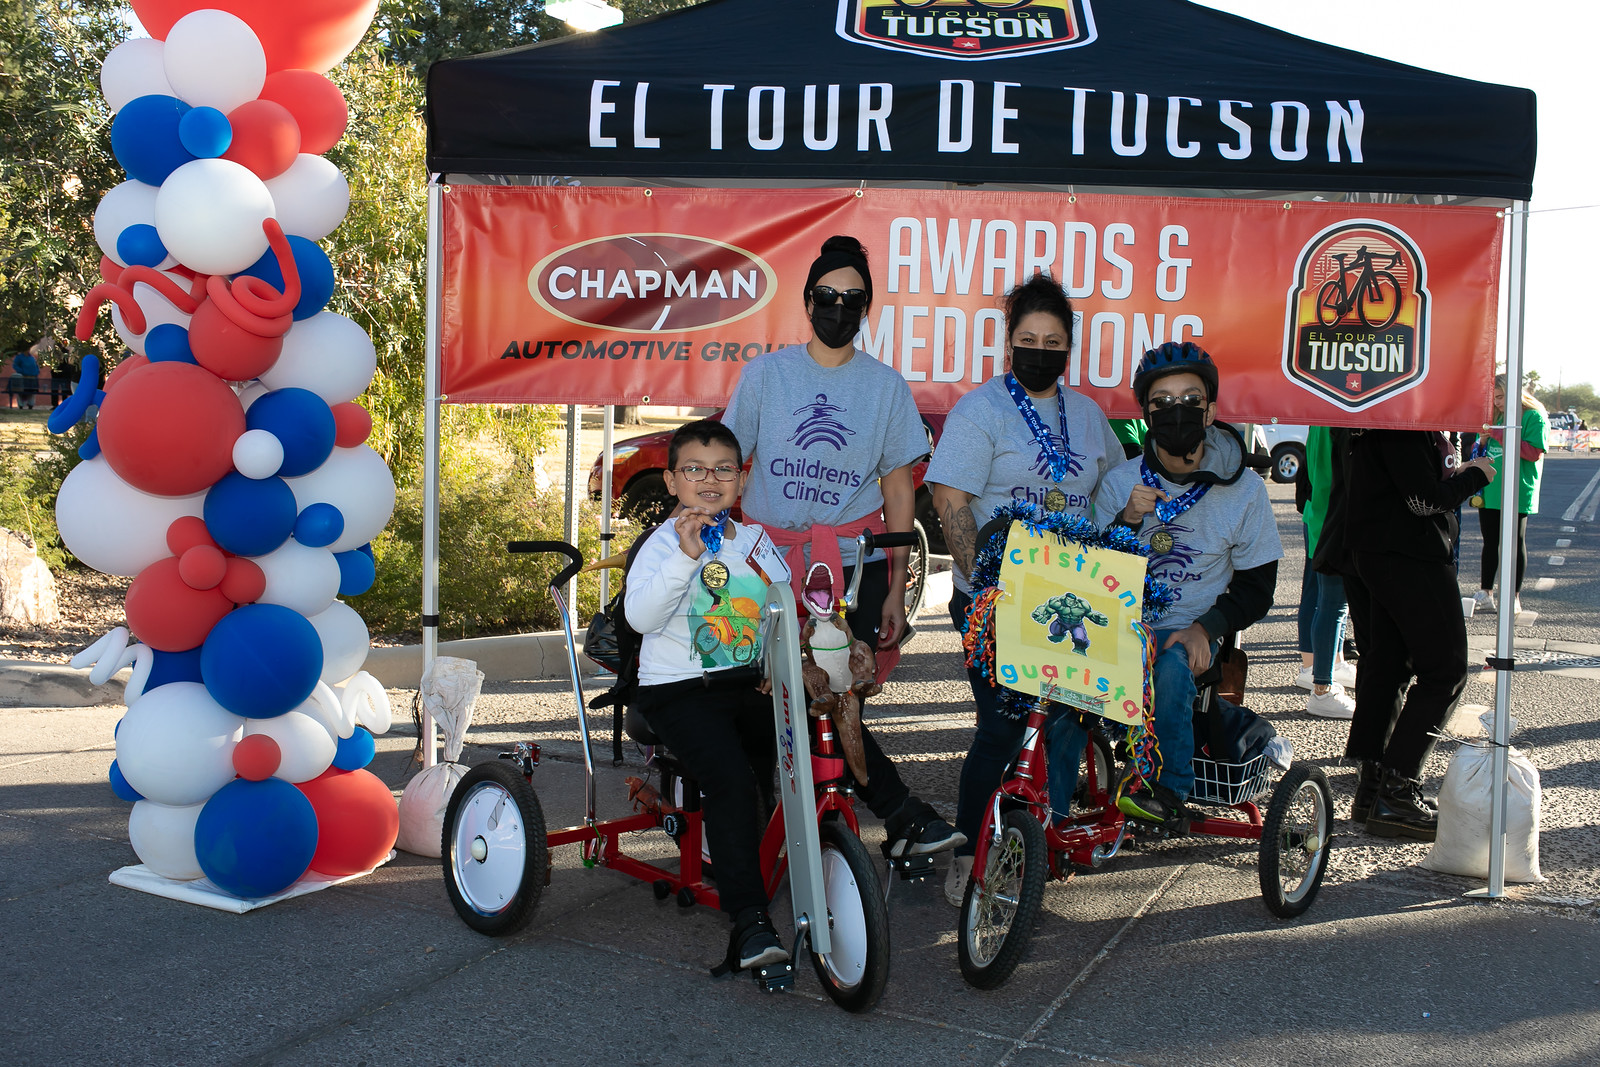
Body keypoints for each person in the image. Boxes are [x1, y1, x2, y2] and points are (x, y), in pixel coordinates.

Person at [724, 234, 964, 861]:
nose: (839, 308)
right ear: (807, 301)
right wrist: (704, 542)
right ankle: (881, 814)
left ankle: (862, 819)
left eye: (852, 299)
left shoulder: (884, 387)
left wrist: (896, 579)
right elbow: (726, 463)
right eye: (828, 296)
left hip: (851, 567)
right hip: (770, 567)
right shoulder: (766, 375)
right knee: (783, 689)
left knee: (837, 690)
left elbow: (897, 485)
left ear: (867, 308)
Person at [926, 272, 1124, 906]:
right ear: (1008, 343)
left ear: (1070, 349)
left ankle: (1044, 835)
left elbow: (1114, 491)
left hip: (1070, 596)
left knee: (1065, 719)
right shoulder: (981, 409)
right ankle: (969, 851)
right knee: (1004, 725)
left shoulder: (1090, 418)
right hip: (998, 596)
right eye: (1029, 338)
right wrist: (982, 586)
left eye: (1054, 340)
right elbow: (949, 495)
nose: (1041, 349)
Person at [1087, 342, 1282, 824]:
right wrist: (1127, 521)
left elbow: (1259, 588)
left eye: (1190, 400)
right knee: (1063, 679)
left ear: (1211, 410)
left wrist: (1207, 628)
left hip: (1189, 635)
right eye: (1162, 403)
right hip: (1120, 629)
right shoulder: (1119, 483)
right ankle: (1050, 801)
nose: (1177, 412)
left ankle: (1168, 791)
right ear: (1146, 414)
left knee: (1172, 665)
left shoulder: (1245, 491)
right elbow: (1088, 572)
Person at [625, 419, 790, 973]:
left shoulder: (755, 541)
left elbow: (784, 607)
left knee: (828, 728)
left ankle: (908, 822)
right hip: (675, 692)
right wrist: (686, 555)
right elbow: (641, 617)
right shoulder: (661, 543)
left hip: (743, 684)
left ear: (741, 480)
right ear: (671, 481)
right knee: (731, 782)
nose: (709, 480)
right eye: (694, 469)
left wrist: (774, 659)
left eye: (723, 469)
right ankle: (749, 922)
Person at [1342, 429, 1494, 840]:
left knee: (1389, 666)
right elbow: (1422, 500)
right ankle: (1396, 791)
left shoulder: (1392, 420)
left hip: (1381, 551)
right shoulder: (1404, 422)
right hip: (1407, 554)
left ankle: (1374, 789)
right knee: (1444, 672)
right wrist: (1476, 475)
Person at [1294, 426, 1357, 718]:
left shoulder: (1322, 418)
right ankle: (1320, 683)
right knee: (1329, 602)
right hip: (1332, 519)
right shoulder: (1335, 421)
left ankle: (1329, 666)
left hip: (1321, 515)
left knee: (1328, 601)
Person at [1472, 374, 1546, 615]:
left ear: (1515, 393)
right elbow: (1479, 449)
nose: (1497, 403)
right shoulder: (1494, 417)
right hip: (1491, 488)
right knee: (1490, 542)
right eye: (1494, 398)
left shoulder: (1533, 416)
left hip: (1518, 489)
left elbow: (1533, 452)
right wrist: (1482, 441)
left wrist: (1499, 434)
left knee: (1514, 543)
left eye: (1501, 397)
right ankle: (1486, 593)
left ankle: (1513, 596)